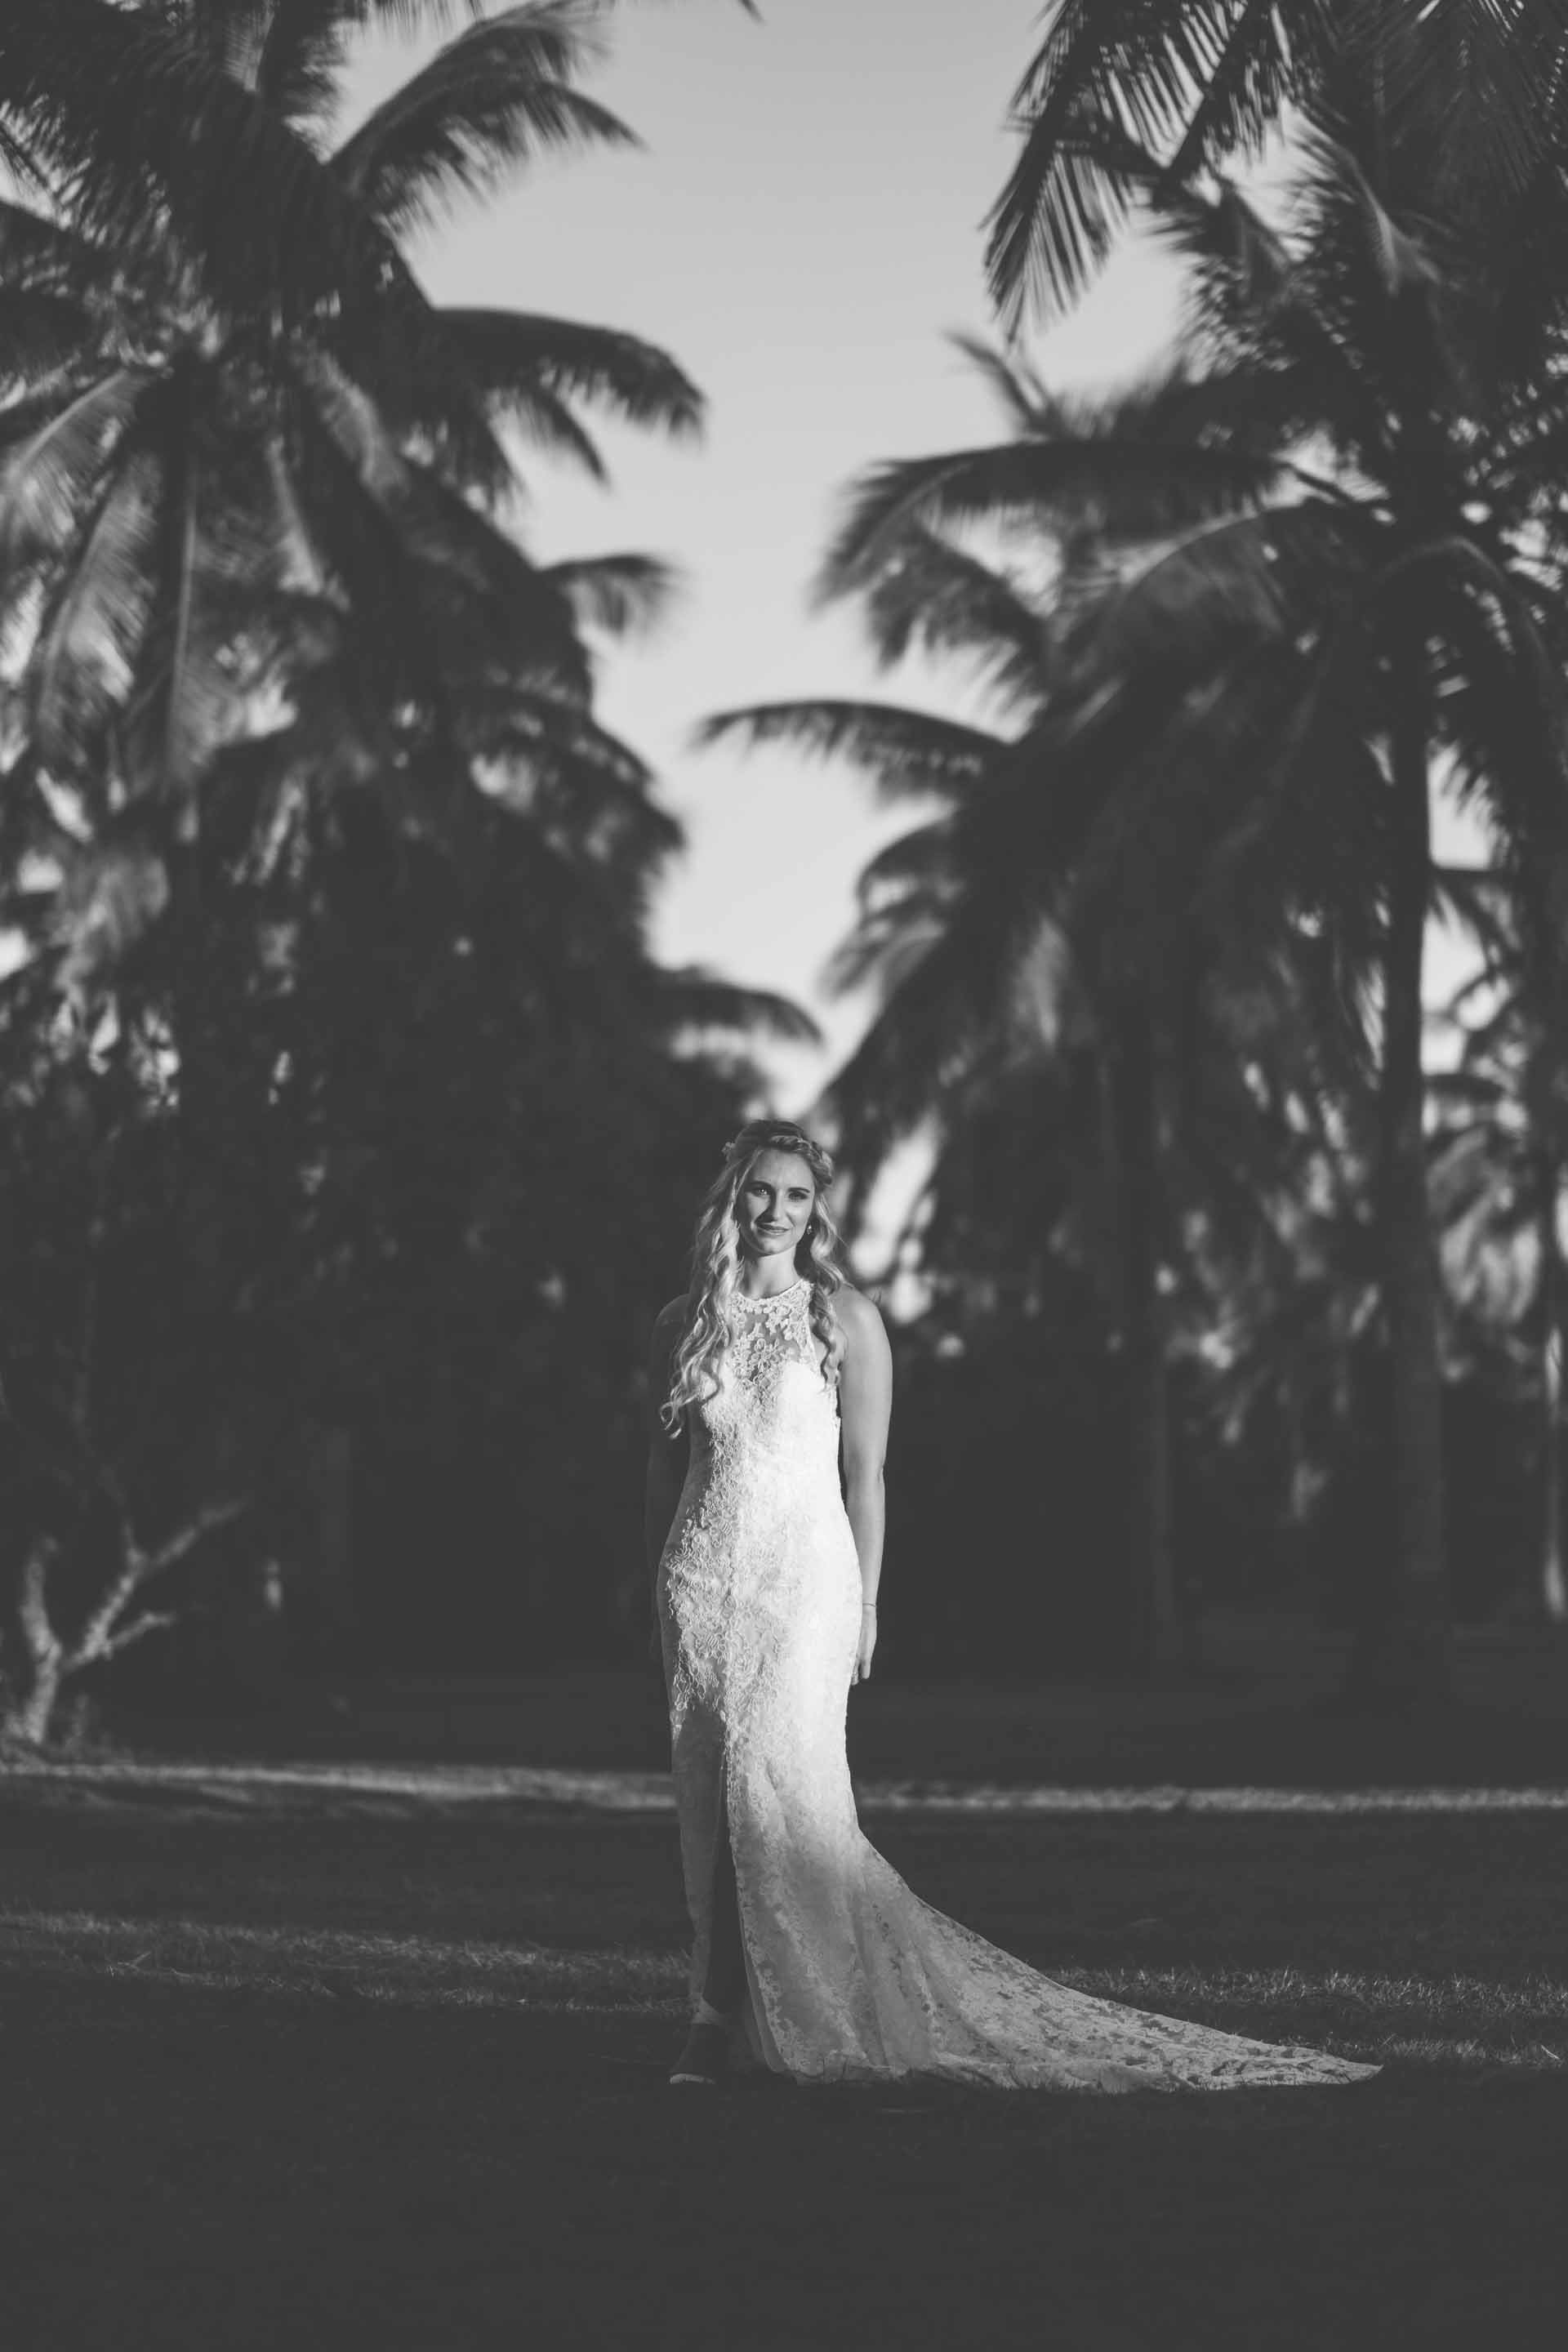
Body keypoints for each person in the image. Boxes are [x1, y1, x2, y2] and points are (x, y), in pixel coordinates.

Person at [644, 1118, 1379, 2093]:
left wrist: (866, 1604)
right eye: (760, 1190)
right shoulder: (680, 1323)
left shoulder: (843, 1319)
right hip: (700, 1587)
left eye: (796, 1195)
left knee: (773, 1798)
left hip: (804, 1587)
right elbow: (664, 1470)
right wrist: (651, 1575)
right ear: (730, 1194)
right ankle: (734, 2008)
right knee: (711, 1800)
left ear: (818, 1211)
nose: (775, 1211)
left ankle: (719, 2022)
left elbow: (869, 1476)